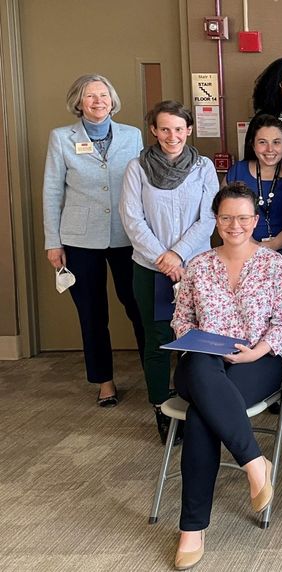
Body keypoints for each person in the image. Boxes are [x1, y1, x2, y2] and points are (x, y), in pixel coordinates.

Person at [168, 182, 282, 570]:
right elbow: (182, 319)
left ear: (255, 220)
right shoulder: (199, 265)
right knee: (204, 367)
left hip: (257, 360)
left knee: (201, 416)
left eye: (243, 217)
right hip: (203, 361)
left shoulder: (274, 264)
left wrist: (257, 350)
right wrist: (195, 339)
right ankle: (255, 463)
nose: (235, 225)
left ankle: (192, 528)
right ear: (216, 220)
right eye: (226, 217)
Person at [42, 73, 145, 407]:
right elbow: (52, 190)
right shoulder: (61, 138)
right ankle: (104, 381)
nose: (98, 101)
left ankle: (155, 373)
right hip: (79, 238)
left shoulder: (132, 135)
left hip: (127, 235)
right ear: (78, 102)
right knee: (91, 312)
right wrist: (52, 241)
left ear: (112, 100)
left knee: (138, 306)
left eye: (103, 95)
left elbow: (144, 184)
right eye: (90, 96)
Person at [119, 100, 217, 443]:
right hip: (150, 267)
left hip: (196, 267)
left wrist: (178, 254)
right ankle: (161, 409)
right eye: (164, 129)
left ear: (189, 130)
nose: (172, 136)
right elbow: (132, 218)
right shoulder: (137, 167)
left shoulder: (203, 167)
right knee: (158, 338)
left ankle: (198, 404)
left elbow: (209, 218)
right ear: (154, 131)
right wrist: (163, 257)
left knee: (199, 339)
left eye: (179, 128)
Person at [225, 114, 282, 258]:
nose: (270, 149)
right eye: (263, 142)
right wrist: (250, 244)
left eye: (276, 142)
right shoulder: (238, 171)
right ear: (253, 145)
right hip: (242, 250)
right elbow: (224, 215)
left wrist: (271, 246)